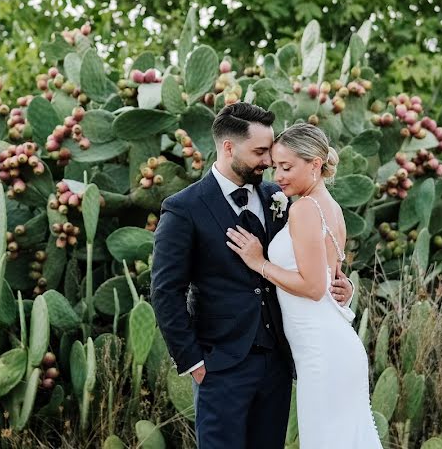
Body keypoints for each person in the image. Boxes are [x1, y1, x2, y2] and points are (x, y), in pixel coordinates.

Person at [151, 103, 354, 449]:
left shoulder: (278, 195)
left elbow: (309, 252)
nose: (268, 163)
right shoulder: (184, 208)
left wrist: (339, 284)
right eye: (260, 152)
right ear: (229, 147)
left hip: (277, 361)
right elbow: (165, 291)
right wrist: (194, 362)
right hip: (220, 365)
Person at [227, 122, 382, 448]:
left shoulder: (304, 209)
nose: (278, 176)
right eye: (275, 167)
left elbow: (312, 287)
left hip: (321, 351)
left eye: (286, 167)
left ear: (314, 164)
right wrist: (348, 290)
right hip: (336, 345)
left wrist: (259, 263)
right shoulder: (333, 209)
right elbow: (330, 280)